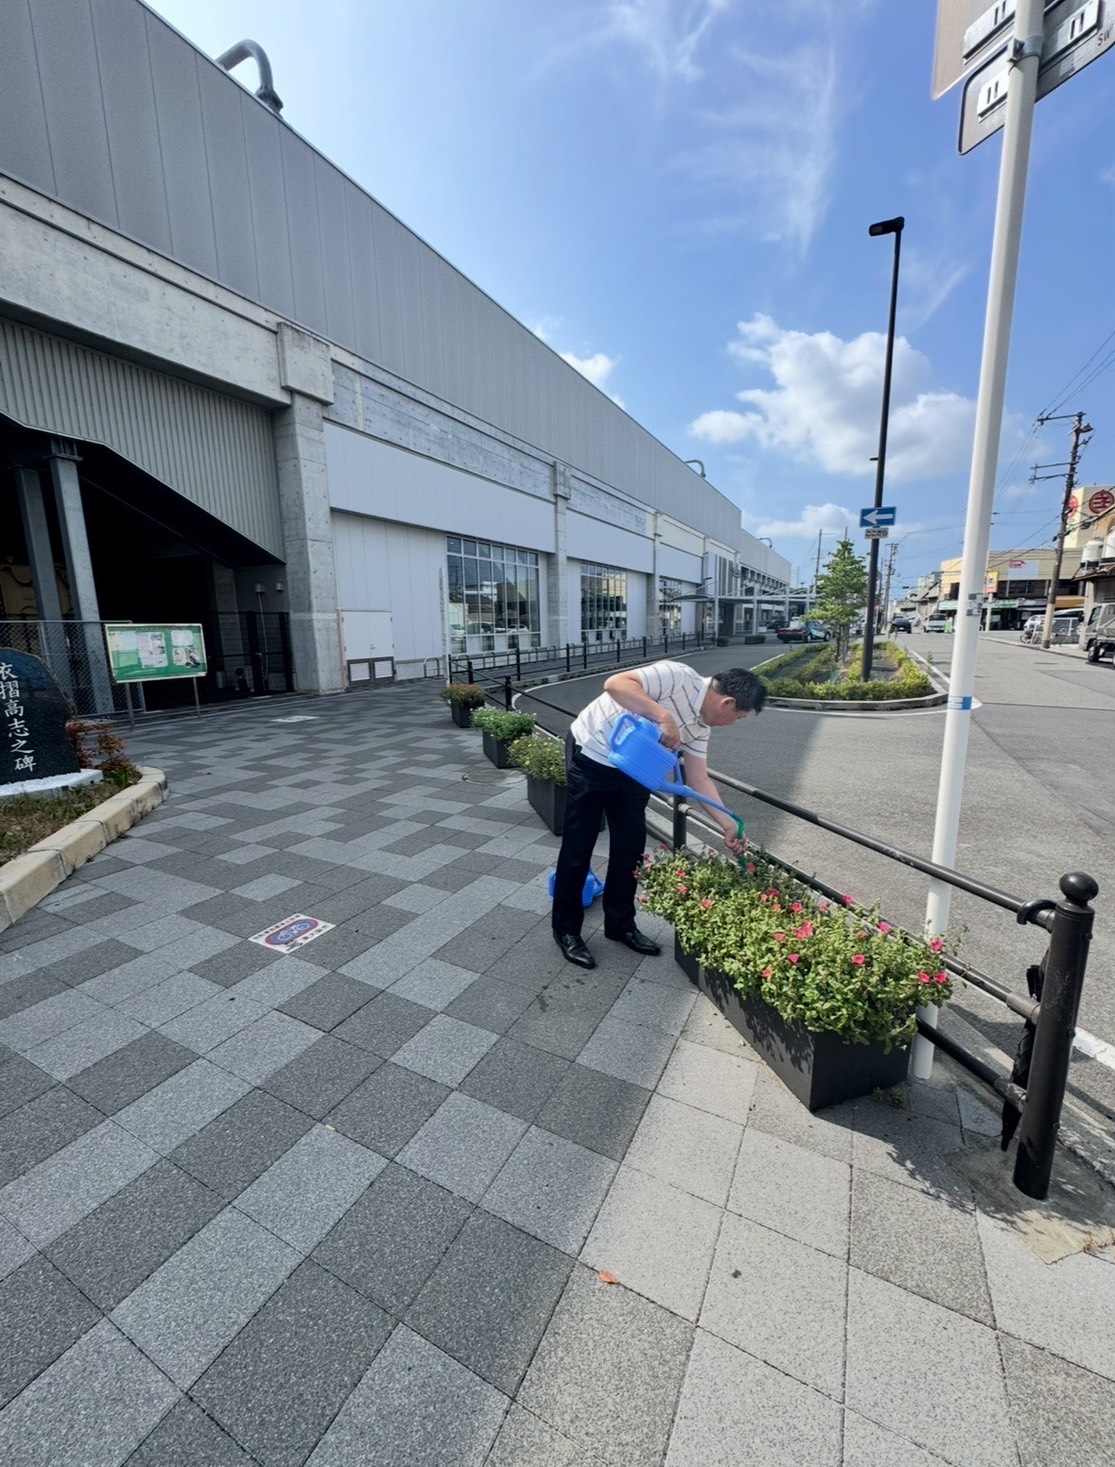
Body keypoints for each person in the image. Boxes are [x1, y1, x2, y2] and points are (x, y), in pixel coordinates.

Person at [551, 662, 767, 969]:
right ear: (727, 702)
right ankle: (567, 930)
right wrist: (664, 717)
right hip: (592, 755)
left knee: (630, 850)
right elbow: (615, 683)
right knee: (579, 846)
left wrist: (727, 823)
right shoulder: (677, 676)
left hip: (635, 770)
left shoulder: (700, 728)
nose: (733, 724)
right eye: (739, 717)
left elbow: (699, 779)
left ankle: (620, 925)